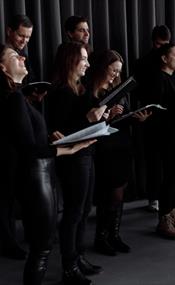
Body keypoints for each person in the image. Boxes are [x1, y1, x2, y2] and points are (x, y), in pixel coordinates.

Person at [0, 44, 96, 285]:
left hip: (39, 176)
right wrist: (67, 147)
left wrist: (32, 103)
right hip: (35, 178)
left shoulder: (18, 97)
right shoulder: (13, 99)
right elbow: (30, 149)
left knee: (42, 247)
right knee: (42, 248)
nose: (22, 57)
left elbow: (32, 137)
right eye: (14, 56)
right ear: (2, 68)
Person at [47, 42, 106, 285]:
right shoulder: (61, 91)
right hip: (73, 160)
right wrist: (88, 119)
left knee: (82, 211)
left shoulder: (78, 88)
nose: (88, 63)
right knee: (73, 212)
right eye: (83, 58)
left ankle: (78, 257)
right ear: (71, 60)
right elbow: (61, 133)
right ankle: (69, 266)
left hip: (85, 155)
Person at [86, 49, 149, 255]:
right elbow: (90, 124)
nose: (115, 75)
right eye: (112, 70)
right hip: (105, 147)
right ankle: (101, 238)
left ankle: (114, 234)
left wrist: (135, 118)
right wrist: (108, 116)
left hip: (122, 144)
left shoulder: (118, 89)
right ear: (102, 68)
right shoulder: (91, 91)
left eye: (118, 71)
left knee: (119, 193)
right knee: (108, 194)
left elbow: (124, 116)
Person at [133, 25, 175, 212]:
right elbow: (157, 104)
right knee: (159, 167)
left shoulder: (174, 75)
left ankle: (172, 209)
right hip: (162, 129)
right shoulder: (153, 72)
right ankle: (163, 208)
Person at [144, 43, 175, 239]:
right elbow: (157, 109)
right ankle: (164, 219)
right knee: (171, 177)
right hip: (168, 136)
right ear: (164, 58)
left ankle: (174, 214)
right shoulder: (158, 78)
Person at [0, 14, 35, 260]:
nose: (24, 41)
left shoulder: (19, 60)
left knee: (13, 194)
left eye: (28, 38)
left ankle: (13, 238)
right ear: (9, 31)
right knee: (4, 196)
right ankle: (7, 241)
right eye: (21, 35)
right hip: (5, 141)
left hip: (17, 136)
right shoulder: (3, 56)